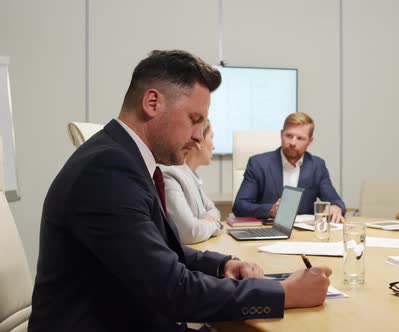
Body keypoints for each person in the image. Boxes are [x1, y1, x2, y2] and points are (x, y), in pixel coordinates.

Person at [29, 50, 332, 332]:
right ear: (152, 103)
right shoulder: (108, 170)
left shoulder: (124, 159)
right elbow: (174, 290)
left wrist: (221, 264)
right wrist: (283, 293)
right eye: (195, 120)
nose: (199, 137)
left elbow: (157, 251)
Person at [232, 112, 346, 223]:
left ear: (310, 141)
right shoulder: (258, 164)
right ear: (281, 134)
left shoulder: (317, 166)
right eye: (289, 136)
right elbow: (240, 206)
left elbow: (335, 200)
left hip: (304, 235)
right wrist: (270, 210)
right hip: (268, 230)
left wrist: (336, 207)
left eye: (300, 138)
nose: (292, 142)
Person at [160, 120, 222, 244]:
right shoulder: (171, 174)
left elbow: (214, 210)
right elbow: (189, 232)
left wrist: (203, 223)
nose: (214, 146)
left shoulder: (191, 175)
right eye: (212, 137)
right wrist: (214, 225)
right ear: (198, 141)